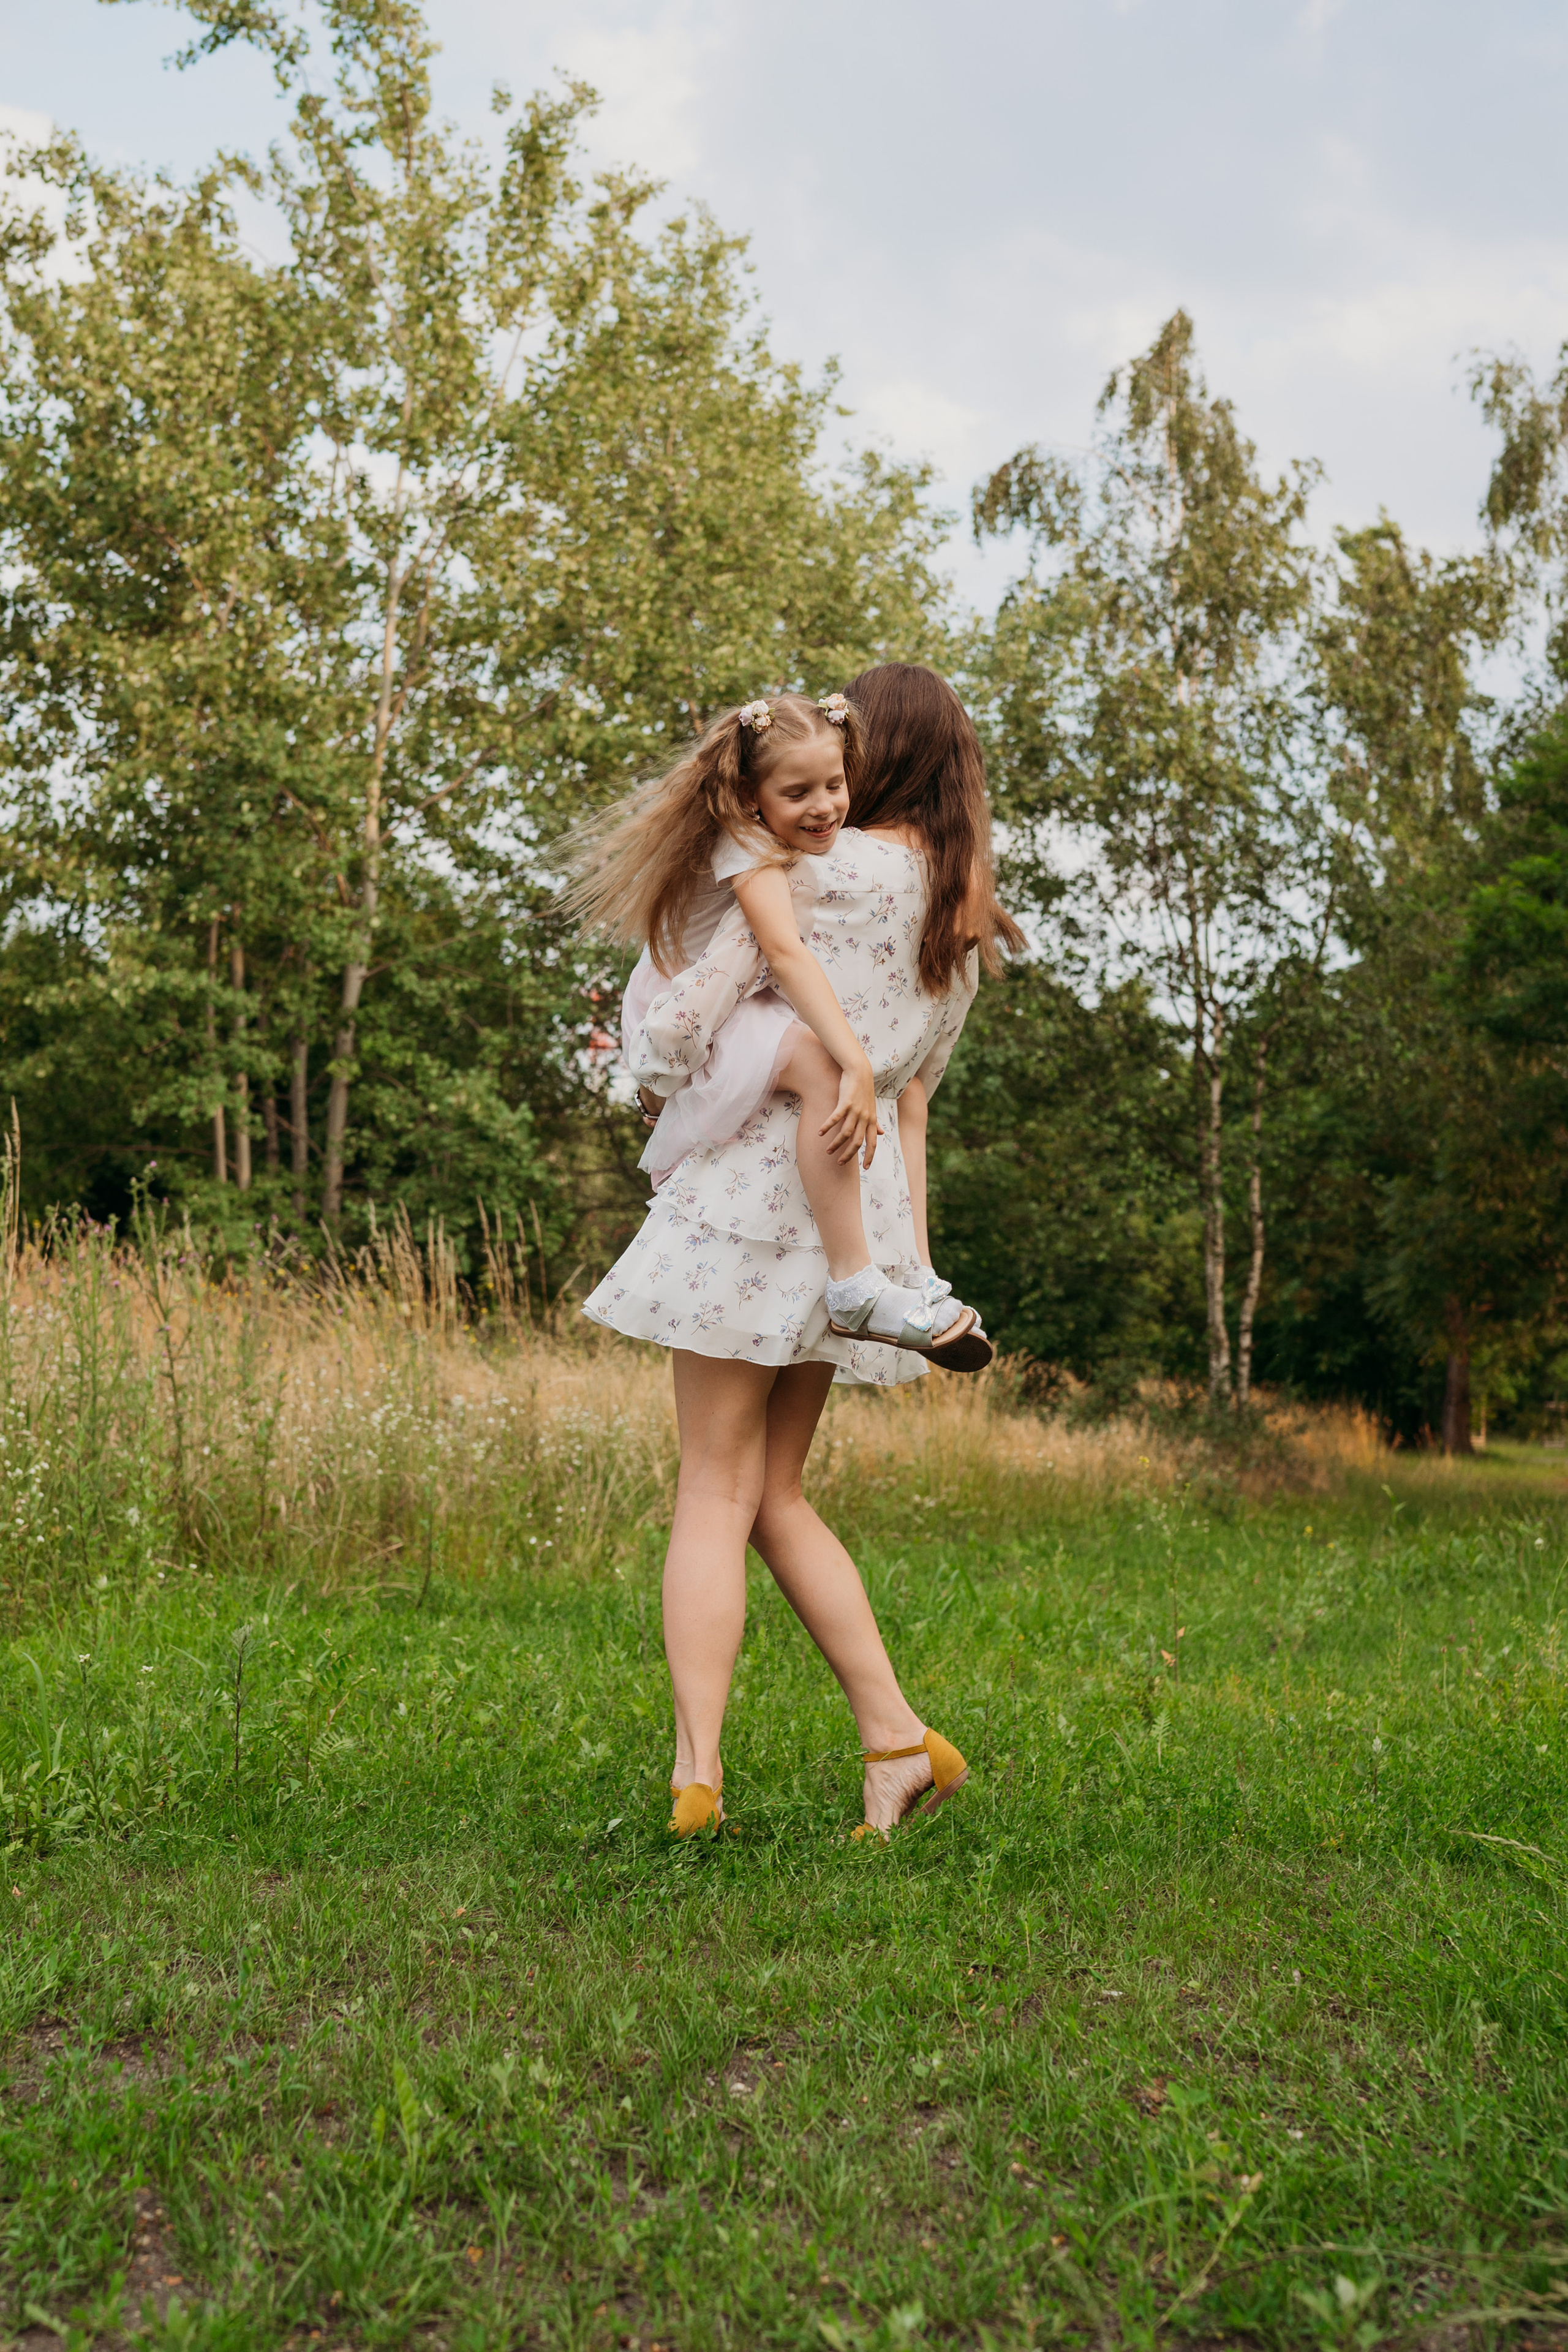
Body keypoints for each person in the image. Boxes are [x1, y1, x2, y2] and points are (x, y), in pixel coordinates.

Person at [575, 664, 1021, 1838]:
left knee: (715, 1490)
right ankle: (895, 1742)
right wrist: (909, 1269)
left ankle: (697, 1776)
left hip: (758, 1198)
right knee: (774, 1491)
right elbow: (913, 1111)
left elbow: (693, 1013)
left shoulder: (815, 860)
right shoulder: (960, 920)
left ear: (873, 753)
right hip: (853, 1230)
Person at [570, 690, 986, 1367]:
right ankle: (869, 1281)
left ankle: (868, 1284)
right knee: (824, 1064)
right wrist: (855, 1062)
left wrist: (656, 1084)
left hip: (756, 1171)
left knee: (823, 1063)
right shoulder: (763, 850)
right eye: (799, 791)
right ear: (752, 796)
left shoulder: (813, 857)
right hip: (696, 1022)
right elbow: (778, 955)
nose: (824, 806)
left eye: (835, 784)